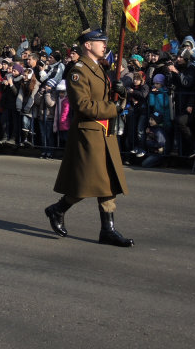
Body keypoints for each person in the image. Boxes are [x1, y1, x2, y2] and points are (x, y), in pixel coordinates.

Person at [44, 27, 133, 247]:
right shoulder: (79, 71)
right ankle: (58, 209)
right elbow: (82, 105)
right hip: (89, 132)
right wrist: (113, 107)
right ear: (87, 45)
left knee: (107, 181)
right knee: (91, 182)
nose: (104, 45)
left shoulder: (99, 68)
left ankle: (107, 230)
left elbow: (109, 99)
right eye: (100, 41)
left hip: (105, 132)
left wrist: (122, 94)